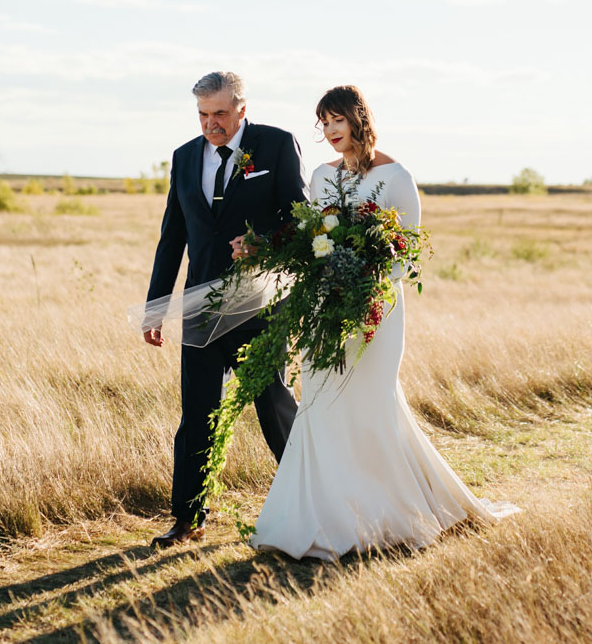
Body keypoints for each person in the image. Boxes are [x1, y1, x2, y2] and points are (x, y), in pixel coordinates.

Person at [241, 85, 518, 560]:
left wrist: (364, 286)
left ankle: (387, 513)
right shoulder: (321, 177)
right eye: (323, 123)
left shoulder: (396, 176)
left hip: (374, 311)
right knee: (323, 407)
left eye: (337, 121)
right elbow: (311, 237)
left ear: (358, 119)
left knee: (370, 405)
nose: (329, 132)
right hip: (322, 309)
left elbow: (407, 253)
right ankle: (323, 517)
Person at [143, 71, 305, 547]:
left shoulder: (276, 146)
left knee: (273, 404)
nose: (210, 124)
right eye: (202, 115)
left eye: (219, 114)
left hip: (259, 303)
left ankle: (306, 501)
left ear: (241, 109)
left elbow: (301, 216)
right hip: (200, 307)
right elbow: (173, 236)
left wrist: (264, 243)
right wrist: (157, 307)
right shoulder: (185, 157)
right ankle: (188, 519)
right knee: (196, 414)